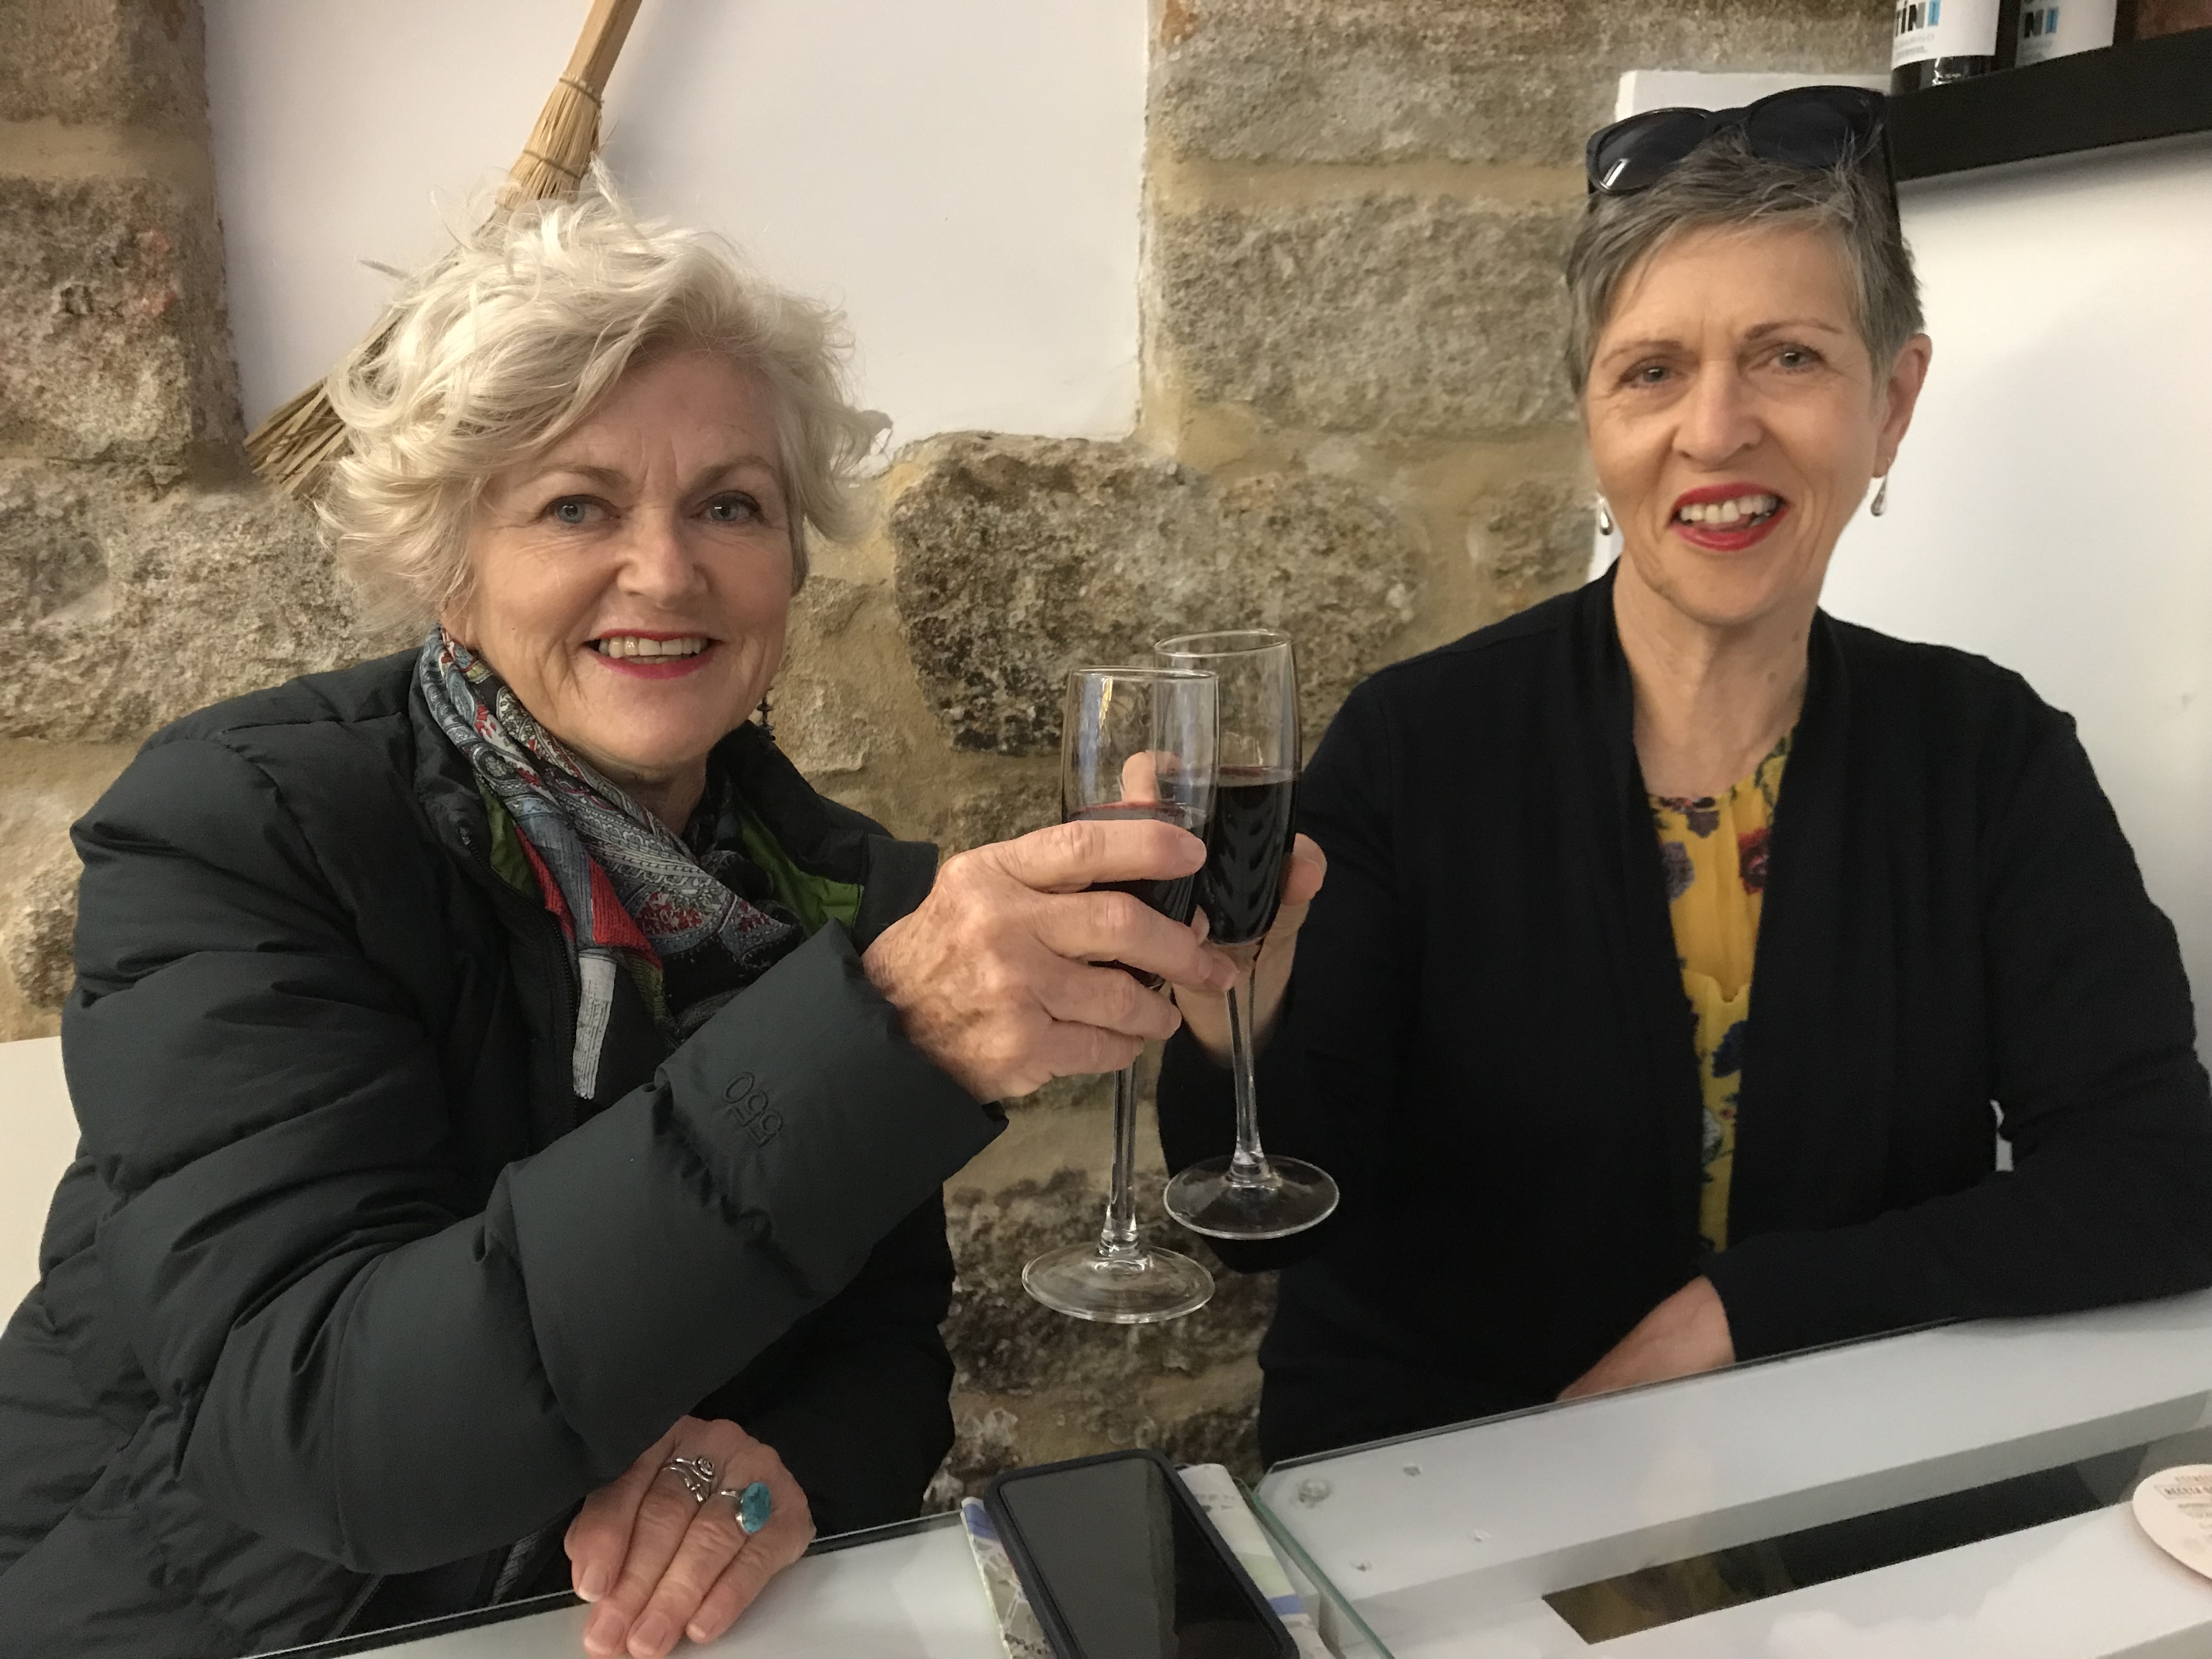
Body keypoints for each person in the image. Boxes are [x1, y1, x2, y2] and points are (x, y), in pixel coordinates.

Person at [0, 184, 1238, 1659]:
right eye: (576, 506)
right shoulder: (246, 828)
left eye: (731, 505)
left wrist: (775, 1480)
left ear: (790, 566)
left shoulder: (833, 886)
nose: (666, 570)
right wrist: (886, 1038)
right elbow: (324, 1430)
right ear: (452, 569)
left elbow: (880, 1349)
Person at [1158, 88, 2212, 1465]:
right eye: (1651, 371)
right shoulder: (1415, 748)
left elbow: (2162, 1179)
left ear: (1892, 405)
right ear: (1592, 418)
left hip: (1844, 1495)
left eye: (1789, 357)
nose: (1716, 430)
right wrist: (1233, 1021)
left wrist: (1747, 1313)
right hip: (1455, 1498)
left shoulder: (1987, 757)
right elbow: (1268, 1228)